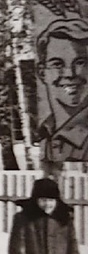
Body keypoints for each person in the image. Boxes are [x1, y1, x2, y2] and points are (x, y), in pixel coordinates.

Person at [35, 19, 88, 164]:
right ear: (42, 73)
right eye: (57, 64)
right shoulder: (46, 132)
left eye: (80, 62)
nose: (70, 74)